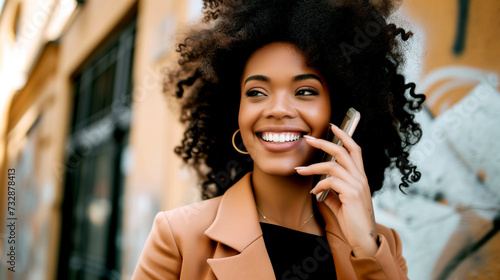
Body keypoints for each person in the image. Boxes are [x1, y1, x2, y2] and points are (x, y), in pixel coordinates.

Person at [133, 0, 425, 279]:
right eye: (257, 92)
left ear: (337, 115)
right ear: (234, 112)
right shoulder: (178, 237)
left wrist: (365, 246)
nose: (278, 110)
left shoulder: (382, 243)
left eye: (305, 91)